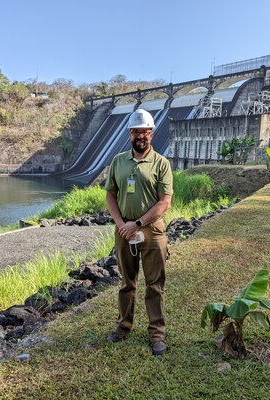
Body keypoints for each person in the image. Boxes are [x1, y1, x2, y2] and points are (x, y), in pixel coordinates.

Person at [104, 109, 173, 356]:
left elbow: (165, 202)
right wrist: (122, 223)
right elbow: (110, 195)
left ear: (151, 134)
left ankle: (157, 334)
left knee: (155, 285)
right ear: (130, 134)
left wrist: (138, 223)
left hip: (152, 232)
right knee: (126, 283)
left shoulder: (161, 163)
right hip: (124, 231)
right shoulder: (118, 161)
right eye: (135, 131)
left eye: (144, 131)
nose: (140, 135)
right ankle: (123, 327)